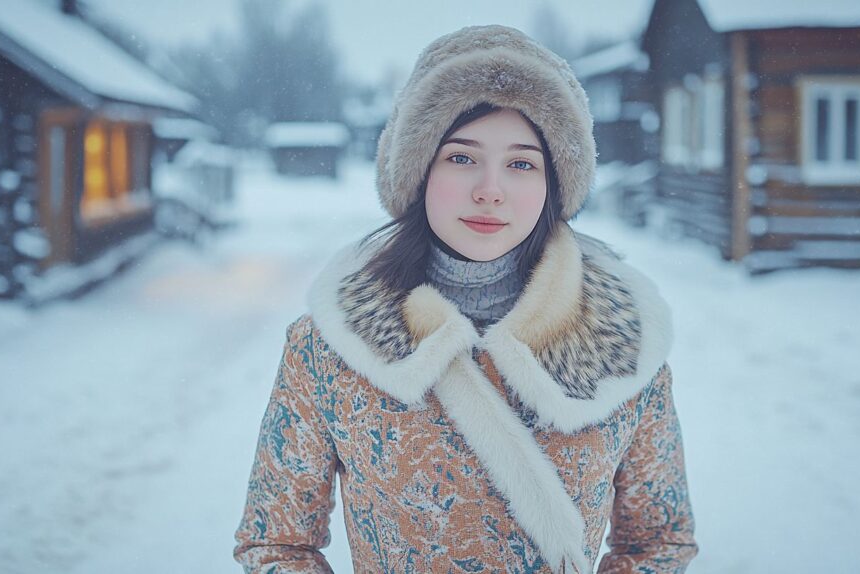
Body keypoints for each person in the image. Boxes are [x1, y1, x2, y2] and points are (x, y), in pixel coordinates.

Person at [234, 25, 697, 574]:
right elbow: (277, 548)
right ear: (419, 171)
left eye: (521, 163)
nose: (490, 189)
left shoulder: (623, 343)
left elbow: (658, 545)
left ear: (554, 183)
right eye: (461, 158)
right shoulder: (328, 348)